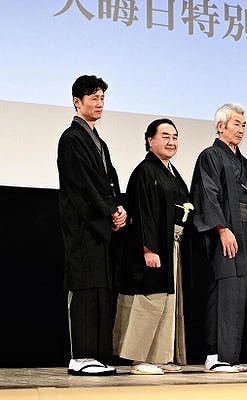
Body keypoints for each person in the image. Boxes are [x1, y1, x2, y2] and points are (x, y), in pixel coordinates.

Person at [57, 74, 127, 376]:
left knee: (101, 288)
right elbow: (85, 183)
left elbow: (109, 179)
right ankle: (81, 357)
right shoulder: (72, 138)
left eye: (102, 98)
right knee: (85, 287)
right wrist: (109, 210)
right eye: (93, 98)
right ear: (77, 101)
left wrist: (119, 208)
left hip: (100, 224)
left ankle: (97, 355)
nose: (99, 103)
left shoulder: (99, 141)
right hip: (83, 224)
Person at [113, 119, 190, 375]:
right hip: (152, 246)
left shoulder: (172, 172)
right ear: (150, 140)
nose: (171, 142)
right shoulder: (145, 171)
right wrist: (148, 248)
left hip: (172, 244)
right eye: (165, 136)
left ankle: (159, 356)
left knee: (167, 301)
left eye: (175, 137)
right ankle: (139, 358)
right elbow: (142, 212)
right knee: (148, 300)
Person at [190, 103, 247, 373]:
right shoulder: (210, 156)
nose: (241, 130)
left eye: (244, 125)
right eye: (236, 124)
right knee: (223, 292)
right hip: (224, 233)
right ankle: (215, 355)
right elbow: (207, 193)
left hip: (244, 230)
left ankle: (230, 357)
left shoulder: (243, 161)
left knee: (237, 294)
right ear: (221, 126)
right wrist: (221, 228)